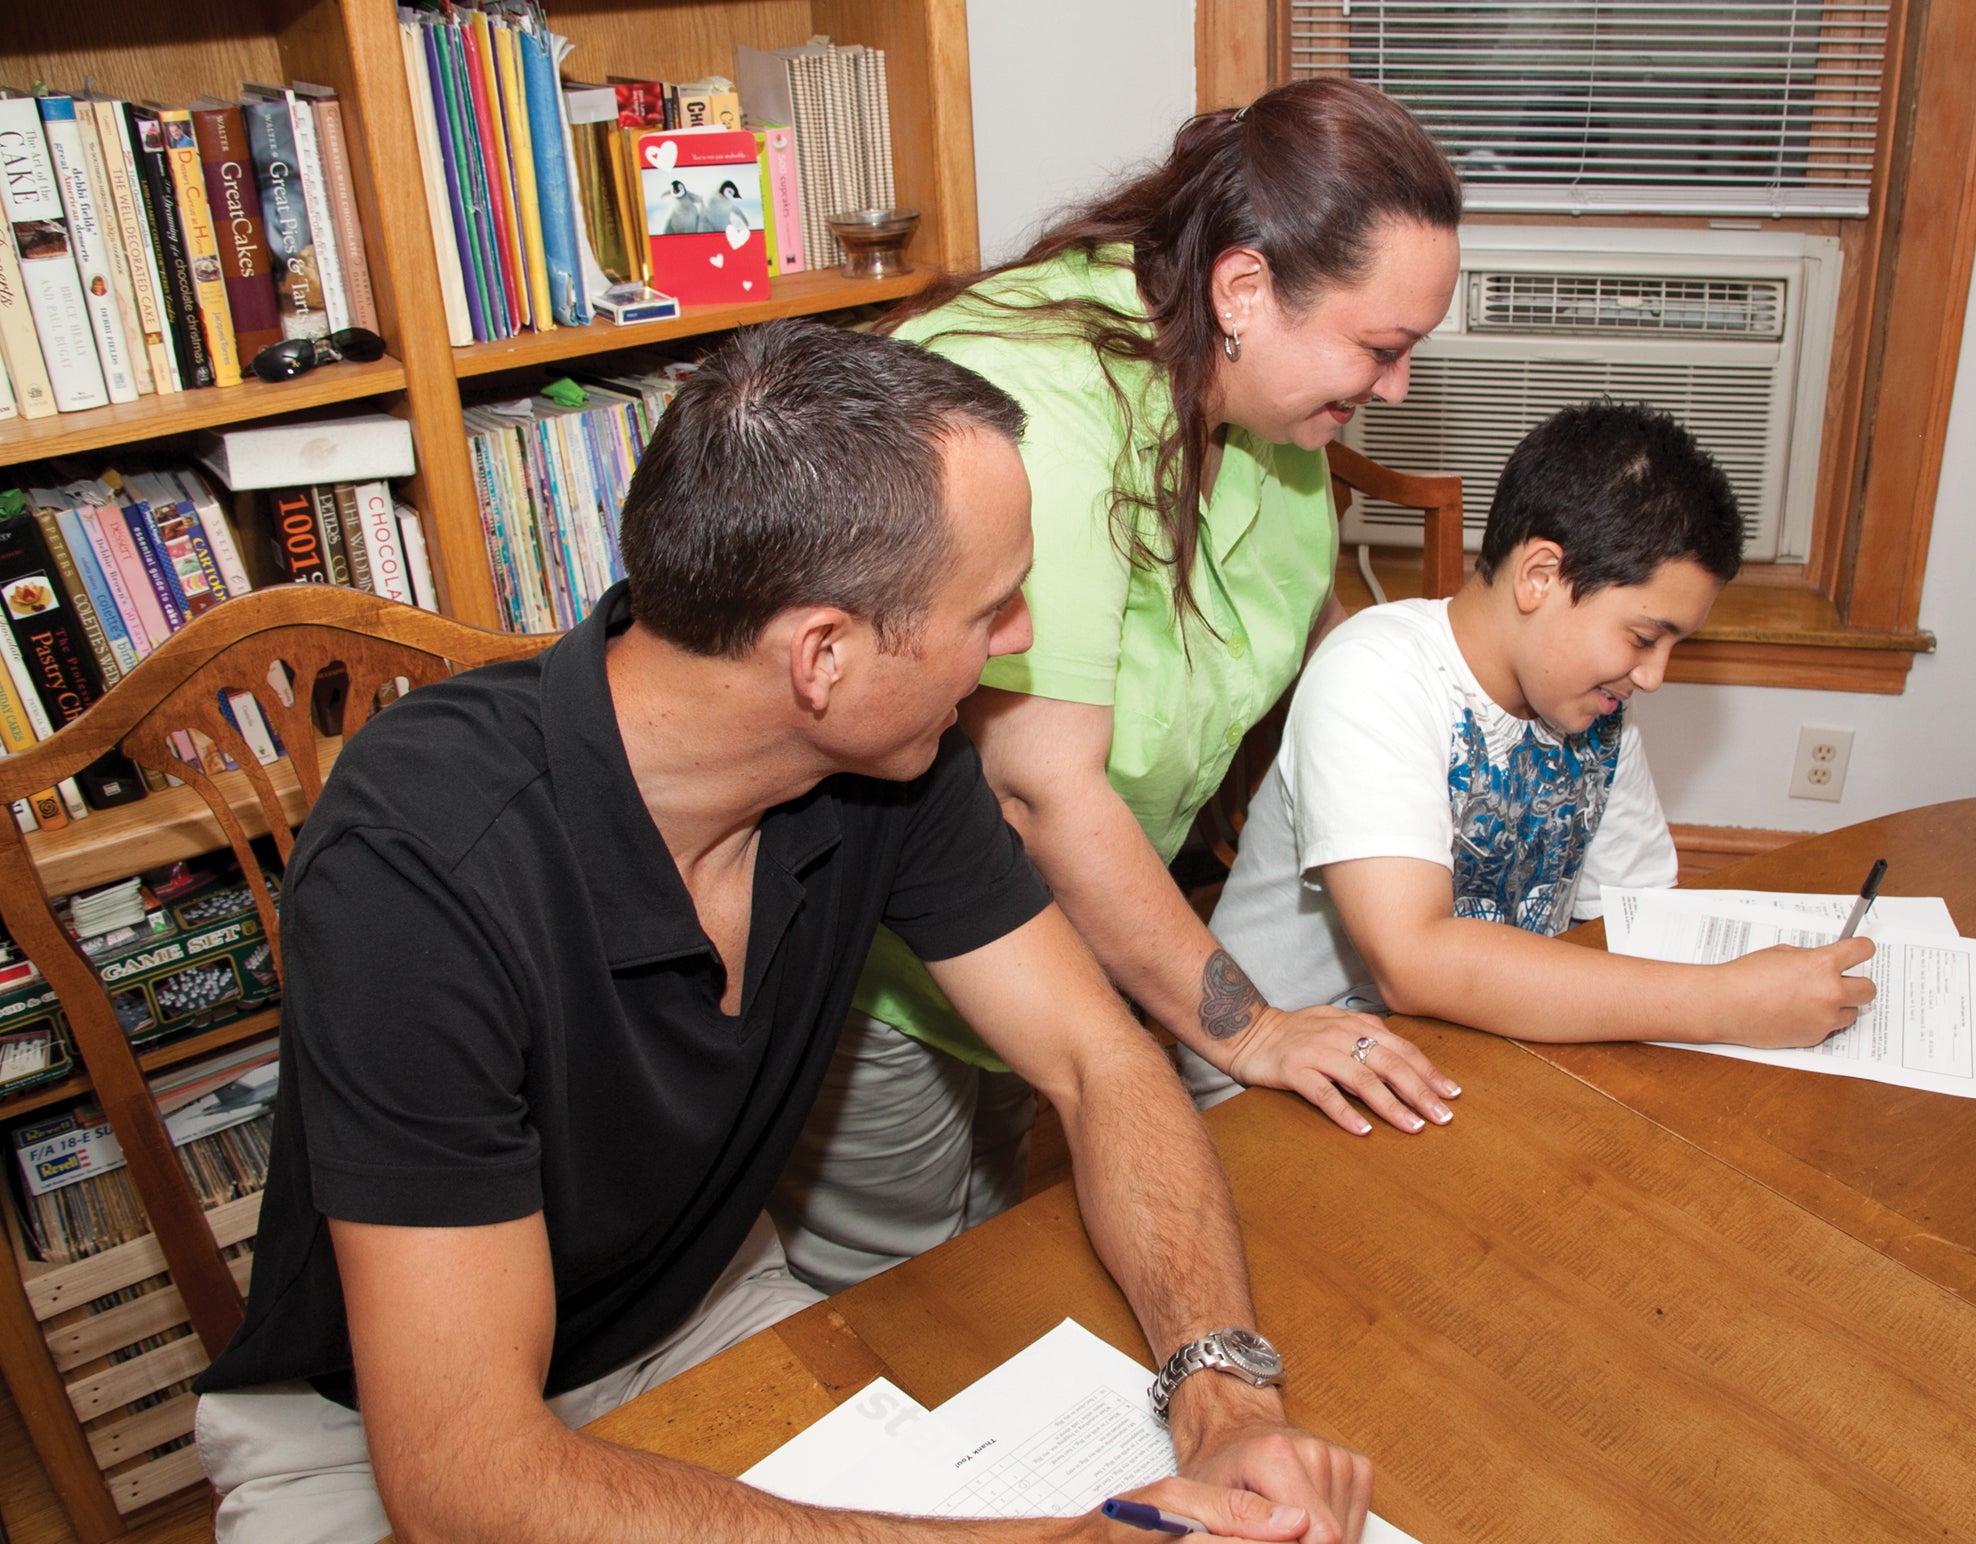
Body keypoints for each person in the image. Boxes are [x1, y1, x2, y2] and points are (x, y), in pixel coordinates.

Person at [191, 321, 1372, 1544]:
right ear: (824, 654)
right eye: (992, 604)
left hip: (694, 1312)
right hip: (370, 1435)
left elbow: (1100, 1059)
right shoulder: (415, 864)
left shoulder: (892, 759)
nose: (1016, 638)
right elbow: (463, 1482)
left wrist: (1221, 1380)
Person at [771, 79, 1471, 1300]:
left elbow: (1322, 652)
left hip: (1063, 955)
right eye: (1380, 347)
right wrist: (1249, 1028)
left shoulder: (1265, 413)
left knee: (1007, 1264)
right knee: (894, 1312)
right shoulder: (1037, 410)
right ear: (1245, 289)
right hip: (895, 972)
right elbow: (1042, 791)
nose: (1396, 388)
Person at [1201, 403, 1876, 1067]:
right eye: (1643, 637)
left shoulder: (1591, 708)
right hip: (1272, 1086)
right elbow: (1415, 961)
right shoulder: (1375, 670)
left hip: (1463, 1055)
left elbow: (1633, 922)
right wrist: (1727, 1004)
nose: (1653, 676)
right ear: (1539, 576)